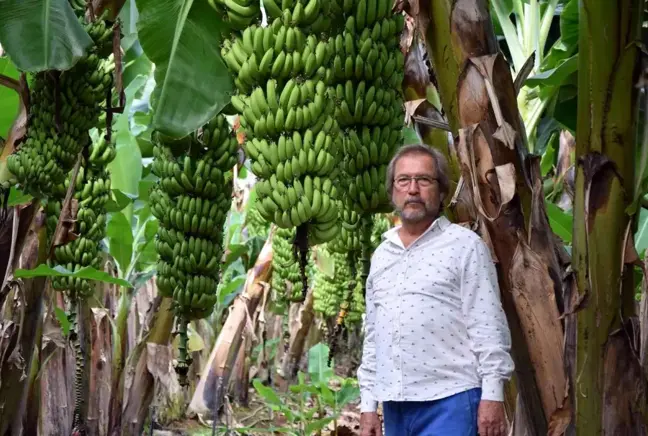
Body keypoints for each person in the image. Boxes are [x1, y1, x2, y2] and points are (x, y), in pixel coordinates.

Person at [357, 144, 514, 436]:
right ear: (392, 192)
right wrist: (369, 406)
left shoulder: (464, 246)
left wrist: (492, 396)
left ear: (441, 192)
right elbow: (374, 338)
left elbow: (488, 325)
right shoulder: (382, 255)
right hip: (395, 405)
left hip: (451, 400)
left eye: (424, 180)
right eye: (403, 180)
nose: (413, 189)